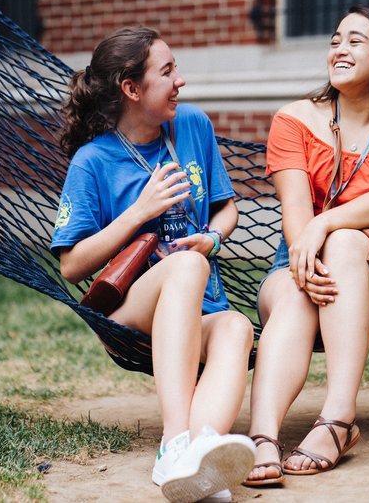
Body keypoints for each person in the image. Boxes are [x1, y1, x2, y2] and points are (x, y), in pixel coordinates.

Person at [243, 5, 369, 486]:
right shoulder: (293, 119)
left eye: (356, 41)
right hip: (296, 255)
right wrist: (308, 243)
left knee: (345, 244)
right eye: (336, 39)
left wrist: (325, 227)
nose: (340, 48)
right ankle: (263, 437)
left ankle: (338, 418)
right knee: (294, 292)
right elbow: (296, 209)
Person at [51, 26, 256, 503]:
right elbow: (71, 265)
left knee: (236, 327)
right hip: (130, 313)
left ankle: (197, 460)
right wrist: (140, 212)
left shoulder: (193, 127)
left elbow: (228, 209)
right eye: (168, 71)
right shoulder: (92, 162)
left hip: (199, 311)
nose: (180, 80)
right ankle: (174, 444)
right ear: (132, 89)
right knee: (186, 270)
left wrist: (212, 235)